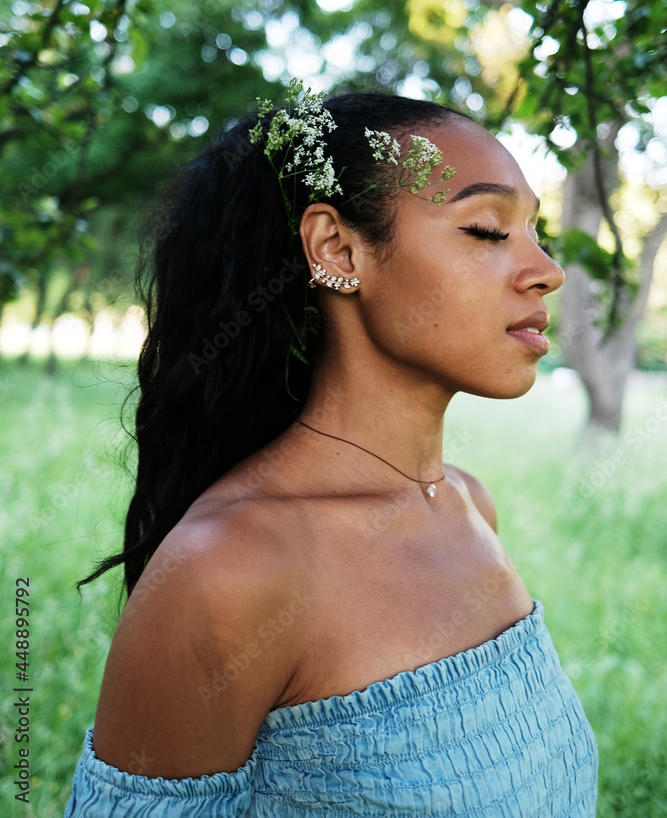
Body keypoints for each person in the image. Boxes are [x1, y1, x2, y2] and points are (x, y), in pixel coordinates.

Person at [65, 88, 599, 816]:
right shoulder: (230, 567)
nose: (545, 270)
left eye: (535, 231)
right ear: (336, 249)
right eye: (484, 229)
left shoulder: (469, 504)